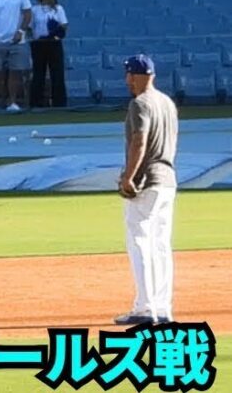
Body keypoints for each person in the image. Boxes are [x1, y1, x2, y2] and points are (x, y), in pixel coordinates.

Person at [114, 55, 177, 325]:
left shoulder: (140, 104)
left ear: (138, 76)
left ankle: (145, 306)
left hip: (147, 180)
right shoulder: (167, 102)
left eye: (129, 75)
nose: (127, 80)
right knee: (161, 244)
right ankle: (163, 306)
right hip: (168, 178)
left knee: (140, 241)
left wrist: (129, 176)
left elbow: (139, 141)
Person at [30, 0, 69, 108]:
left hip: (53, 43)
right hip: (39, 43)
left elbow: (63, 25)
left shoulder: (58, 9)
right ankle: (36, 102)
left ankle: (59, 102)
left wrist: (55, 34)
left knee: (57, 72)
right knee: (38, 73)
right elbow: (30, 27)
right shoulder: (34, 9)